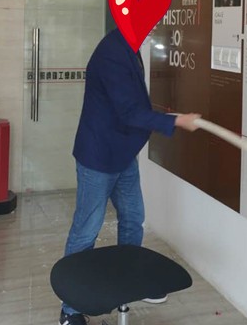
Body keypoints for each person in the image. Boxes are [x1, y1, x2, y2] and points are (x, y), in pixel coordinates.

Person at [59, 25, 200, 325]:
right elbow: (129, 112)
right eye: (149, 22)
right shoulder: (112, 53)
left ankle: (130, 282)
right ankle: (70, 308)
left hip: (123, 155)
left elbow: (133, 107)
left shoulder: (128, 47)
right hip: (98, 157)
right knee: (86, 229)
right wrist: (175, 121)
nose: (153, 29)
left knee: (134, 218)